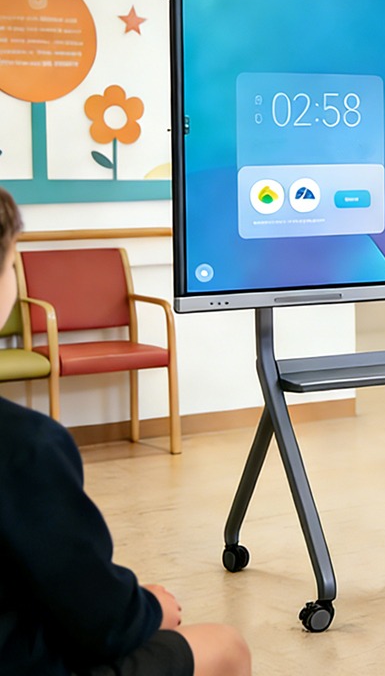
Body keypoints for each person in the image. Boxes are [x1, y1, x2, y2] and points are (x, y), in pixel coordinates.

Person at [0, 187, 251, 675]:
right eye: (11, 263)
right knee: (225, 645)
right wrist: (151, 607)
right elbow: (103, 624)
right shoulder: (26, 448)